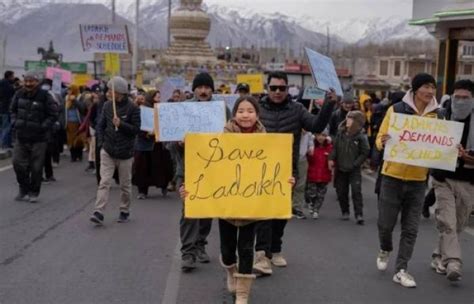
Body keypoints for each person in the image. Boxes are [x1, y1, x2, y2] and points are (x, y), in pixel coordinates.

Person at [253, 71, 336, 276]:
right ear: (267, 88)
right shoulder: (257, 109)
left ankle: (275, 249)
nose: (278, 92)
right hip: (260, 170)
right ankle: (261, 254)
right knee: (264, 213)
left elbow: (316, 126)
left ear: (288, 88)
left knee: (281, 214)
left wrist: (328, 104)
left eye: (282, 88)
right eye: (274, 88)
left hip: (287, 170)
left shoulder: (297, 109)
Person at [375, 73, 445, 288]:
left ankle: (401, 269)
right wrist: (383, 142)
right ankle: (385, 247)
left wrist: (451, 150)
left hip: (418, 180)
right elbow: (379, 139)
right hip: (391, 177)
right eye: (426, 86)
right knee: (386, 225)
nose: (430, 91)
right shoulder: (396, 110)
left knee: (411, 228)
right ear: (415, 89)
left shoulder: (439, 115)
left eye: (433, 87)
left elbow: (442, 143)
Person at [175, 72, 232, 272]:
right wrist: (179, 144)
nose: (203, 91)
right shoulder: (184, 109)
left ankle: (200, 244)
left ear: (212, 89)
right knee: (189, 211)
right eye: (200, 87)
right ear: (194, 90)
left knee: (207, 211)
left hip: (213, 169)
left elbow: (232, 136)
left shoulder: (222, 109)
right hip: (188, 169)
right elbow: (169, 146)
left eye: (207, 87)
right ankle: (188, 253)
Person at [430, 79, 474, 282]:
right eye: (458, 97)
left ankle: (438, 255)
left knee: (458, 224)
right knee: (447, 221)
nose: (461, 101)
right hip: (443, 178)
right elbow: (427, 143)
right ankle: (453, 262)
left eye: (466, 98)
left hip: (469, 180)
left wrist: (468, 158)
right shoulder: (441, 116)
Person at [90, 76, 140, 225]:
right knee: (104, 181)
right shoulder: (106, 106)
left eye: (111, 90)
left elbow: (135, 130)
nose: (108, 93)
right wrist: (101, 142)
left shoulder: (133, 108)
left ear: (119, 92)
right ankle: (99, 211)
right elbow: (100, 125)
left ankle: (124, 210)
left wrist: (122, 124)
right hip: (108, 150)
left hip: (125, 153)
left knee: (125, 185)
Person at [10, 71, 58, 202]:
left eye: (31, 81)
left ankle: (33, 192)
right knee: (17, 163)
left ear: (37, 82)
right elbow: (12, 110)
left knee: (36, 167)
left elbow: (53, 114)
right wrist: (15, 122)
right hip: (21, 136)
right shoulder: (18, 94)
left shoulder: (45, 96)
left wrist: (42, 127)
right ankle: (23, 189)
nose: (28, 84)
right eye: (26, 81)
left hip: (39, 138)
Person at [328, 110, 369, 224]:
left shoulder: (360, 136)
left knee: (356, 191)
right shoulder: (340, 133)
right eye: (348, 118)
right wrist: (331, 159)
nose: (348, 120)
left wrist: (356, 164)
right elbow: (335, 148)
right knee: (341, 191)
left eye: (351, 119)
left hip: (354, 169)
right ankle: (345, 211)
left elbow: (365, 152)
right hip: (341, 168)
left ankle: (359, 214)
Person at [132, 90, 173, 198]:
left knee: (161, 166)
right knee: (143, 168)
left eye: (160, 96)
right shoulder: (143, 109)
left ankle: (163, 186)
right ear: (151, 97)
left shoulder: (161, 108)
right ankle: (142, 191)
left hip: (158, 143)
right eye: (157, 96)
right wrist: (146, 133)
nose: (159, 98)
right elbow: (138, 125)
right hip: (145, 145)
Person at [306, 128, 333, 219]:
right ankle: (311, 204)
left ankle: (316, 210)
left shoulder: (329, 147)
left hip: (324, 175)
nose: (321, 137)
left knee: (321, 195)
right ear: (316, 135)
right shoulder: (311, 145)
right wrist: (309, 154)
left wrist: (332, 164)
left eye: (324, 135)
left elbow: (332, 159)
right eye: (319, 135)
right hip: (312, 174)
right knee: (312, 193)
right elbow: (307, 159)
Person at [291, 130, 314, 219]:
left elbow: (311, 143)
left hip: (302, 159)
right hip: (290, 158)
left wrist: (311, 147)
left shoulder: (308, 134)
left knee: (300, 185)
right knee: (288, 183)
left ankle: (297, 208)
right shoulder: (293, 129)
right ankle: (285, 206)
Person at [65, 85, 86, 162]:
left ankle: (79, 155)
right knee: (70, 140)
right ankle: (73, 156)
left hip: (78, 122)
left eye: (70, 90)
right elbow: (63, 110)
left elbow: (83, 109)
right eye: (68, 90)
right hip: (69, 122)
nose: (69, 91)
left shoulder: (80, 97)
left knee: (78, 140)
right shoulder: (66, 98)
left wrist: (75, 101)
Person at [0, 70, 15, 150]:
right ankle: (3, 144)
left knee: (3, 127)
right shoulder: (7, 85)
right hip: (5, 108)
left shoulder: (2, 82)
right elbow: (11, 94)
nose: (13, 78)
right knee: (6, 127)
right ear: (9, 76)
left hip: (2, 108)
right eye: (12, 76)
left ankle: (7, 144)